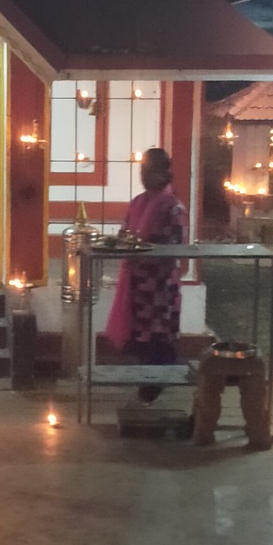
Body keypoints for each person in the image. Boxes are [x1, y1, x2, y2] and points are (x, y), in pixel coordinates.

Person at [103, 147, 189, 396]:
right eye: (141, 169)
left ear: (163, 173)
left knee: (158, 340)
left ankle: (155, 390)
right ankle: (146, 389)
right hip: (137, 285)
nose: (143, 174)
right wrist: (123, 242)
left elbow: (172, 249)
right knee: (140, 340)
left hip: (160, 288)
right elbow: (126, 234)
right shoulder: (139, 202)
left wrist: (144, 246)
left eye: (148, 169)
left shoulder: (173, 206)